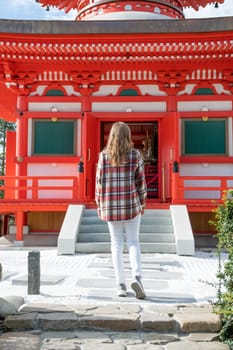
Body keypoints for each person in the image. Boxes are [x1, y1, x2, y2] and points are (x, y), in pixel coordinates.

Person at [95, 122, 147, 299]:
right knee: (133, 242)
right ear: (128, 135)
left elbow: (99, 184)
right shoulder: (135, 155)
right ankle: (137, 278)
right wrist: (143, 203)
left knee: (116, 244)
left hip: (110, 206)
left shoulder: (103, 156)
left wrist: (99, 205)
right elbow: (141, 182)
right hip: (131, 204)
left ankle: (120, 285)